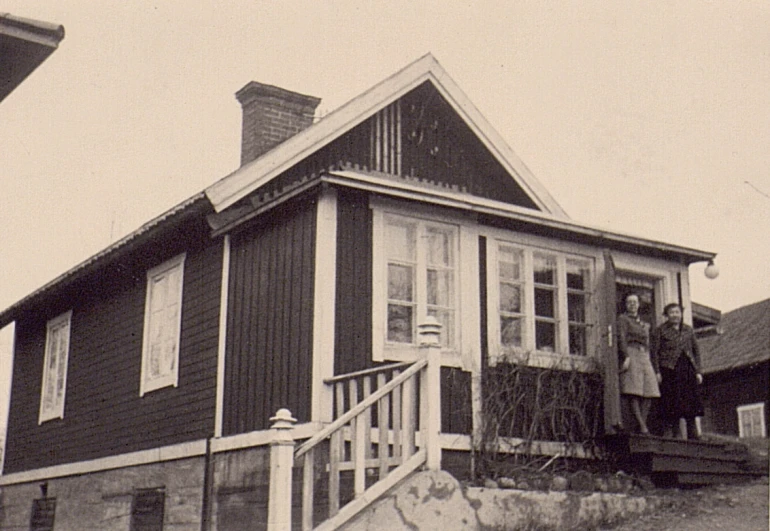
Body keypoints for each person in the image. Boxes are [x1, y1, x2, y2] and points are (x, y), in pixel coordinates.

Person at [652, 302, 704, 440]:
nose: (675, 315)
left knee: (690, 400)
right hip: (669, 369)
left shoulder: (688, 330)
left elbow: (696, 351)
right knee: (671, 400)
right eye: (672, 313)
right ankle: (675, 433)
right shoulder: (660, 330)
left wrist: (698, 371)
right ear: (667, 315)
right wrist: (657, 371)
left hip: (687, 368)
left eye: (677, 312)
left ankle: (693, 432)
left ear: (681, 314)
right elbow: (655, 352)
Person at [617, 293, 660, 434]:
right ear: (625, 304)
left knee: (650, 389)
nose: (632, 305)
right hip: (632, 352)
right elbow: (621, 337)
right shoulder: (623, 319)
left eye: (635, 302)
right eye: (629, 302)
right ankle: (642, 426)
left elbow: (650, 342)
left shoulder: (643, 322)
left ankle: (641, 422)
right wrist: (626, 356)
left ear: (639, 304)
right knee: (634, 390)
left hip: (644, 354)